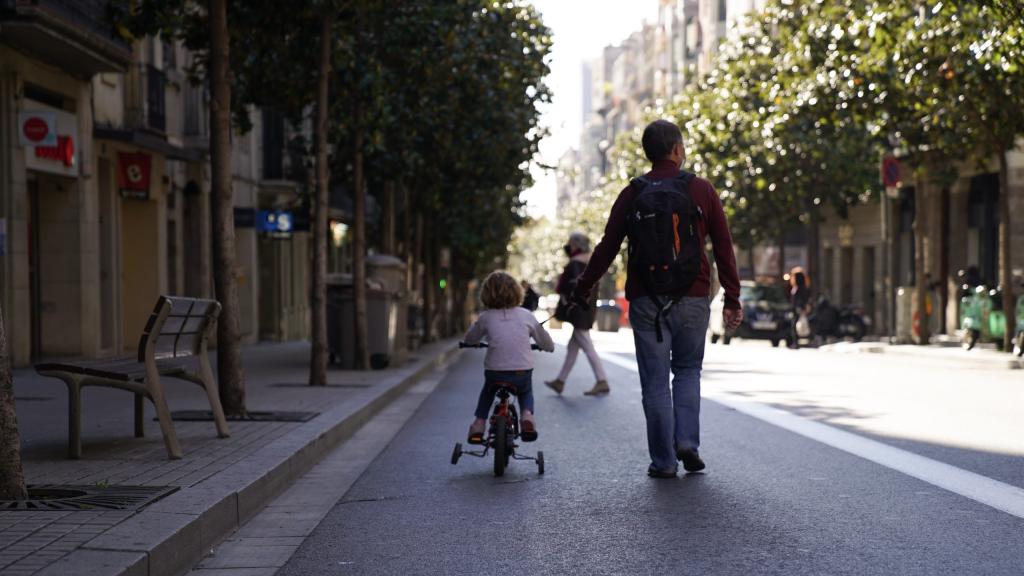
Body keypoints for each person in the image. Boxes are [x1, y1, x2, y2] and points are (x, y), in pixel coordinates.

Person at [569, 119, 743, 478]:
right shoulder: (702, 190)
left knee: (654, 381)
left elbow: (606, 248)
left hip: (646, 300)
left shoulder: (633, 192)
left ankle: (663, 461)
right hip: (693, 297)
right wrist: (731, 298)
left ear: (648, 153)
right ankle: (687, 443)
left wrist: (583, 287)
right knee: (688, 371)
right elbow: (723, 247)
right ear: (677, 149)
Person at [464, 271, 555, 445]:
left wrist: (471, 343)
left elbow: (470, 338)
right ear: (517, 291)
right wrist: (547, 347)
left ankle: (478, 424)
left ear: (486, 294)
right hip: (521, 372)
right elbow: (546, 343)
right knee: (525, 391)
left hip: (495, 373)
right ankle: (527, 416)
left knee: (487, 392)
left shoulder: (486, 317)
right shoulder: (526, 315)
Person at [545, 232, 610, 396]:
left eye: (572, 243)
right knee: (572, 347)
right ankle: (560, 381)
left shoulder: (575, 263)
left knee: (587, 346)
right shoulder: (592, 262)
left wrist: (568, 303)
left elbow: (569, 287)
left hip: (577, 310)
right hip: (585, 309)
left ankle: (602, 381)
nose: (569, 246)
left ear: (577, 244)